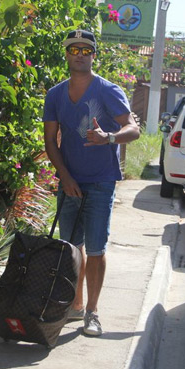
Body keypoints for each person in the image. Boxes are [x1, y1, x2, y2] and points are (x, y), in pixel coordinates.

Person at [43, 29, 140, 336]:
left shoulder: (107, 90)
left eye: (86, 50)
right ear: (67, 54)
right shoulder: (55, 94)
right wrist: (65, 176)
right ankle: (75, 306)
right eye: (75, 50)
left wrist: (109, 137)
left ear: (93, 55)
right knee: (73, 248)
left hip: (100, 182)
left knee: (96, 249)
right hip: (69, 182)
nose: (80, 55)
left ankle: (92, 313)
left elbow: (133, 128)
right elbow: (50, 141)